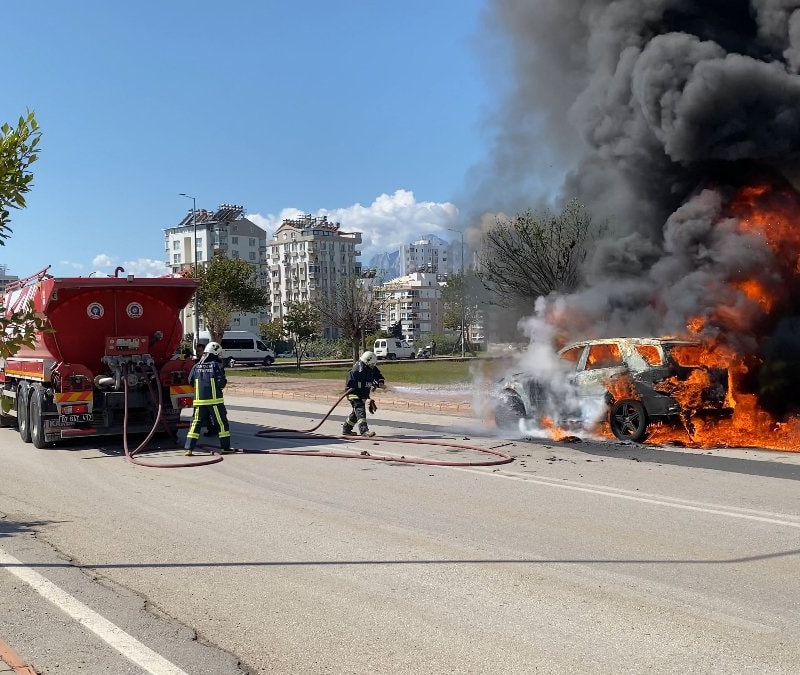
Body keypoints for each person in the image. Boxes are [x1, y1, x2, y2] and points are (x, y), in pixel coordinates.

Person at [184, 341, 235, 456]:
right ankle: (225, 448)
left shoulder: (196, 366)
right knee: (221, 424)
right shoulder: (215, 365)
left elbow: (190, 381)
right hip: (214, 401)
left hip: (199, 401)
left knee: (195, 424)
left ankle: (188, 448)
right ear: (215, 353)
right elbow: (221, 383)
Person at [342, 351, 385, 437]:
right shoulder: (356, 370)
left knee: (356, 413)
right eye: (372, 364)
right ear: (367, 362)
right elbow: (356, 385)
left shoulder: (371, 368)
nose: (373, 366)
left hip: (363, 394)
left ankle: (346, 429)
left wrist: (380, 382)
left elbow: (378, 375)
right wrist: (372, 384)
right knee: (360, 409)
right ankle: (364, 431)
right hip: (353, 393)